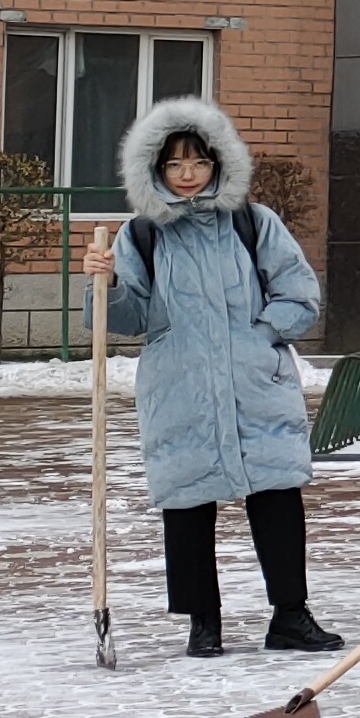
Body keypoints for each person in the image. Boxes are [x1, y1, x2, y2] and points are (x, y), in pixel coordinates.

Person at [92, 95, 333, 656]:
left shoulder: (254, 223)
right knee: (187, 502)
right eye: (175, 163)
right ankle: (203, 622)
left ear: (219, 163)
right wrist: (107, 285)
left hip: (256, 384)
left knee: (277, 494)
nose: (188, 174)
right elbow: (128, 319)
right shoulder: (142, 235)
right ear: (155, 168)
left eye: (199, 161)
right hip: (181, 388)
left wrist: (262, 336)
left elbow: (299, 294)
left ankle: (290, 615)